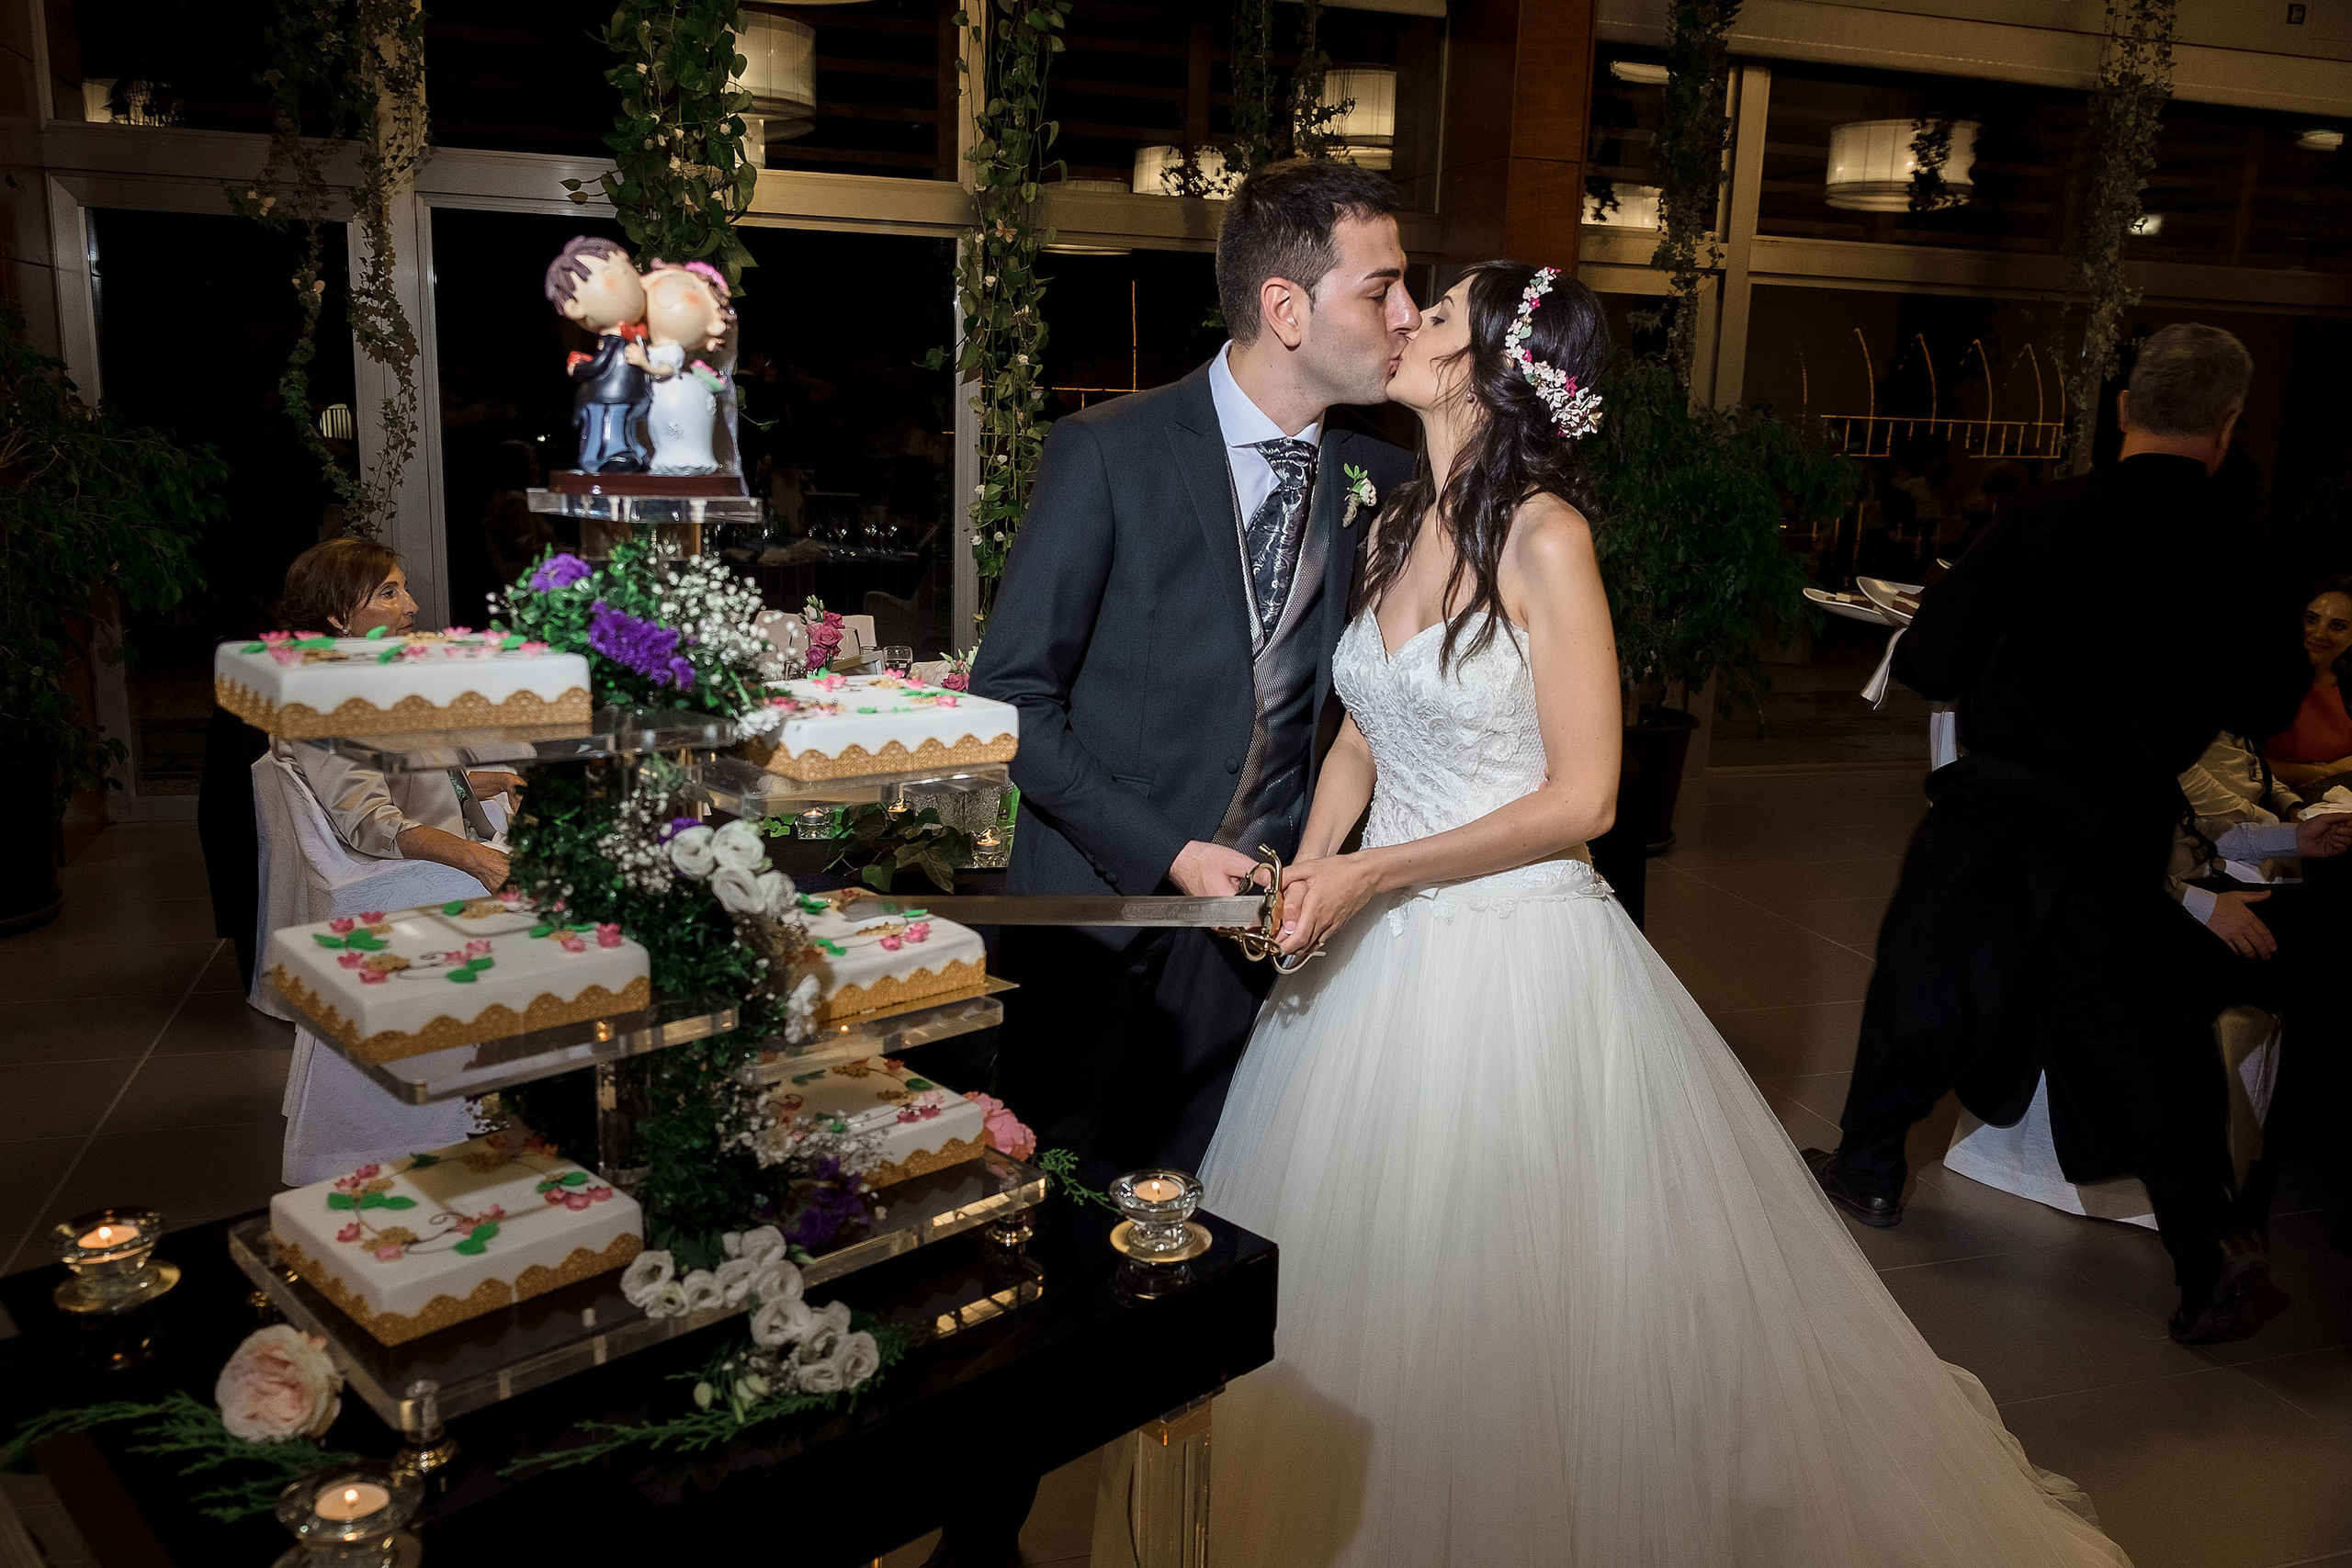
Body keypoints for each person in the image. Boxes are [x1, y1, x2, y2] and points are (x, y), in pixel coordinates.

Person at [1200, 263, 2130, 1567]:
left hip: (1512, 955)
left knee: (1510, 1293)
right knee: (1367, 1273)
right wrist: (1310, 864)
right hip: (1364, 948)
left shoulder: (1547, 538)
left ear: (1498, 368)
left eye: (1438, 313)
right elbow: (1362, 720)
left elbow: (1584, 795)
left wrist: (1377, 874)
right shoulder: (1397, 509)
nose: (1403, 321)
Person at [1804, 323, 2310, 1344]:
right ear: (2223, 425)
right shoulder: (2244, 550)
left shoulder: (2044, 518)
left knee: (1930, 975)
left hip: (2004, 803)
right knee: (2123, 1027)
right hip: (2122, 814)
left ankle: (1866, 1171)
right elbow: (2269, 698)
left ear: (2124, 407)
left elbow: (1935, 656)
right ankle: (2205, 1248)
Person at [973, 159, 1419, 1175]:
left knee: (1213, 1233)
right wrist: (1169, 852)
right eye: (1380, 286)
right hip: (1098, 924)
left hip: (1265, 954)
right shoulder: (1107, 452)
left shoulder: (1386, 480)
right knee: (1052, 1215)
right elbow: (1011, 703)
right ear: (1286, 308)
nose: (1407, 312)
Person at [269, 539, 518, 894]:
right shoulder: (326, 704)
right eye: (389, 594)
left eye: (405, 589)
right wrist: (477, 859)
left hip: (455, 842)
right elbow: (369, 821)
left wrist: (500, 782)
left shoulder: (365, 683)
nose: (411, 606)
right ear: (339, 617)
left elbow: (413, 784)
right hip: (407, 871)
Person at [2260, 577, 2352, 793]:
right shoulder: (2260, 679)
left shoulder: (2348, 682)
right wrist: (2326, 772)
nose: (2319, 634)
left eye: (2337, 626)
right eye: (2311, 619)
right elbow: (2239, 763)